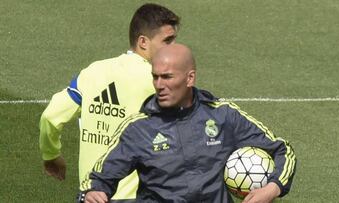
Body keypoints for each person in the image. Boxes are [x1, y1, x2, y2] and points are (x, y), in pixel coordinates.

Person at [81, 44, 297, 203]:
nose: (159, 85)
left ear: (190, 78)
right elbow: (98, 178)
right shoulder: (138, 128)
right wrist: (93, 192)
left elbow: (283, 150)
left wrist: (272, 188)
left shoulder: (223, 116)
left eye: (167, 77)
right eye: (155, 77)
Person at [39, 3, 180, 202]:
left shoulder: (92, 72)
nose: (174, 48)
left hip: (91, 196)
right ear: (143, 42)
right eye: (168, 41)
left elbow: (51, 116)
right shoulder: (159, 82)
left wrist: (51, 154)